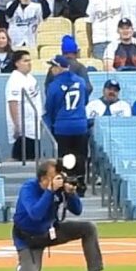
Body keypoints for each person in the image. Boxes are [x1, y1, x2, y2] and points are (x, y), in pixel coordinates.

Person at [13, 158, 116, 271]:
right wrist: (49, 191)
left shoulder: (59, 188)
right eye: (55, 177)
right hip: (28, 238)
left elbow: (77, 210)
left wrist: (71, 193)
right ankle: (23, 268)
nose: (59, 180)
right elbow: (35, 214)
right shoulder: (28, 188)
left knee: (88, 228)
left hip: (50, 231)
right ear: (44, 179)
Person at [43, 56, 91, 194]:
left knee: (65, 157)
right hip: (80, 124)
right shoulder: (80, 81)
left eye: (53, 66)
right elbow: (85, 101)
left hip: (63, 126)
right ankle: (80, 184)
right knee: (80, 155)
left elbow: (50, 107)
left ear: (58, 67)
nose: (51, 69)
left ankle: (67, 184)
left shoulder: (54, 85)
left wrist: (53, 123)